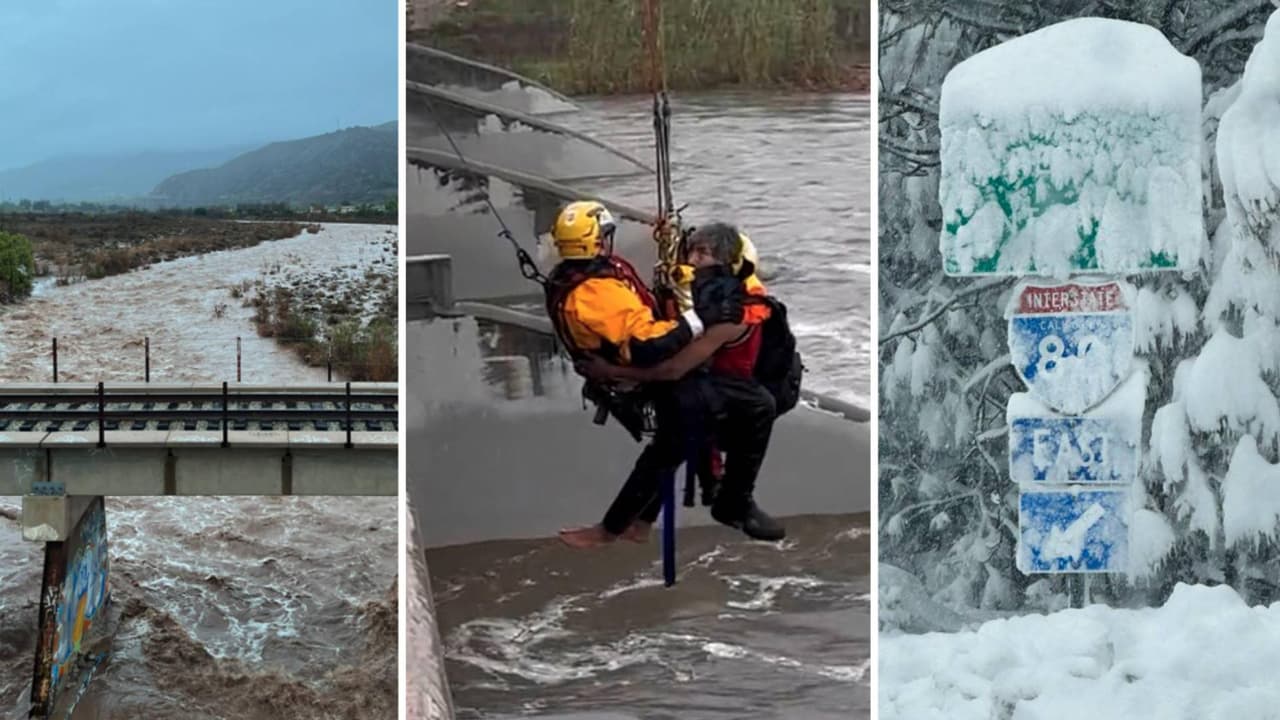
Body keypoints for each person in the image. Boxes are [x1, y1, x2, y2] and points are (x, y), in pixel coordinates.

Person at [578, 222, 788, 542]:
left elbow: (674, 368)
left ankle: (614, 528)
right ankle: (640, 524)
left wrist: (612, 372)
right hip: (714, 386)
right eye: (692, 252)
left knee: (668, 449)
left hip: (724, 393)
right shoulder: (726, 291)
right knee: (673, 449)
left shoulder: (733, 313)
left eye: (701, 254)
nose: (692, 261)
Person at [542, 200, 732, 548]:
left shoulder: (587, 274)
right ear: (597, 240)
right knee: (673, 442)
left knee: (678, 441)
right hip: (637, 370)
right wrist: (698, 319)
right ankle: (611, 529)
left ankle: (638, 524)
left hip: (632, 361)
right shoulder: (595, 292)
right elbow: (649, 346)